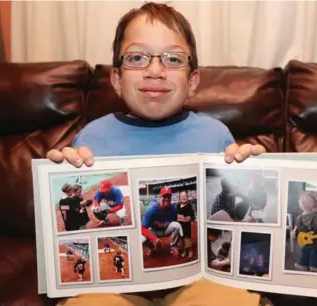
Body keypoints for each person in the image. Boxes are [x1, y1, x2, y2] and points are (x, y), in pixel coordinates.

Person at [49, 2, 266, 305]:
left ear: (192, 82)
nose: (154, 71)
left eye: (172, 59)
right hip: (118, 287)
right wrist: (62, 176)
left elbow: (233, 221)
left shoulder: (215, 134)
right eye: (137, 57)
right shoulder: (92, 137)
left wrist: (253, 174)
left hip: (198, 282)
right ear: (116, 79)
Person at [141, 186, 182, 257]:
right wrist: (155, 240)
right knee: (142, 239)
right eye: (164, 196)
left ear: (171, 198)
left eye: (168, 196)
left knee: (177, 225)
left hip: (166, 230)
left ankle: (173, 247)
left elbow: (174, 223)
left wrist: (178, 238)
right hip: (154, 231)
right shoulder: (152, 210)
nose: (166, 198)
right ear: (160, 197)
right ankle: (151, 247)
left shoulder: (174, 209)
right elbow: (142, 228)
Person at [291, 192, 317, 273]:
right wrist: (294, 231)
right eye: (302, 200)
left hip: (315, 238)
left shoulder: (315, 215)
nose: (303, 201)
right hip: (304, 238)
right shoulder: (300, 216)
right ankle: (302, 264)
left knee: (315, 251)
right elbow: (297, 225)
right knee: (305, 251)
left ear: (314, 203)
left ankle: (313, 265)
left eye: (305, 199)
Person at [176, 190, 195, 258]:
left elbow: (193, 216)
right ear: (179, 198)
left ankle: (190, 250)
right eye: (182, 196)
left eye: (185, 196)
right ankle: (184, 250)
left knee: (187, 240)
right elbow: (175, 214)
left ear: (187, 197)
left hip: (186, 226)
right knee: (182, 239)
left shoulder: (189, 205)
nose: (184, 197)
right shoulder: (178, 205)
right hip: (179, 226)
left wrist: (190, 218)